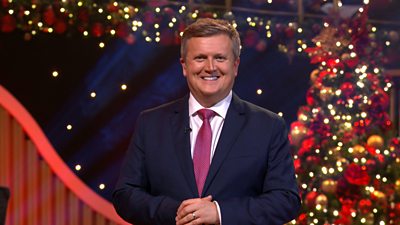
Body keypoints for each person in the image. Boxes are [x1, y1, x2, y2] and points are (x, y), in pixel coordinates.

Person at [112, 18, 301, 225]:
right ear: (184, 65)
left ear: (235, 65)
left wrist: (219, 213)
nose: (210, 67)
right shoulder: (151, 123)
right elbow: (125, 195)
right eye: (200, 58)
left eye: (220, 58)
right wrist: (178, 211)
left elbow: (285, 200)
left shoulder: (268, 126)